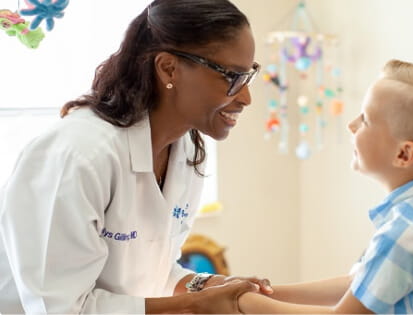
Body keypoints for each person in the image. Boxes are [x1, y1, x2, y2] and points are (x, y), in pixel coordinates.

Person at [0, 0, 274, 313]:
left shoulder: (186, 152)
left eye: (248, 76)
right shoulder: (78, 155)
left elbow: (152, 275)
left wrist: (209, 285)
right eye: (231, 77)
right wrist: (197, 304)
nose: (246, 97)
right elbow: (58, 308)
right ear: (168, 67)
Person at [238, 60, 413, 314]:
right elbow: (361, 285)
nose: (352, 125)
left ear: (404, 155)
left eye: (365, 120)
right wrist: (260, 292)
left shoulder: (408, 232)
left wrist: (240, 303)